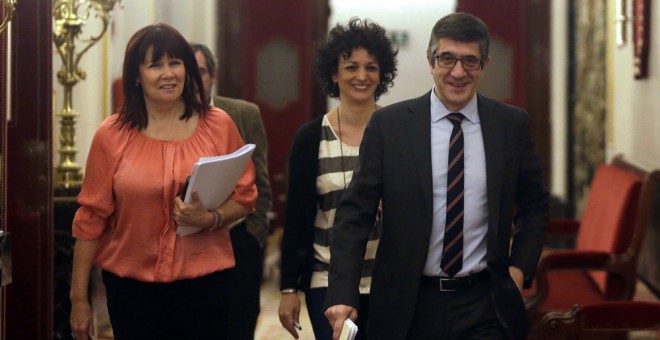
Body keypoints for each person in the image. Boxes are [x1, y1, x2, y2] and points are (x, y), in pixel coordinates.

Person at [324, 12, 548, 340]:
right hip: (408, 304)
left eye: (470, 61)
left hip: (485, 303)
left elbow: (534, 205)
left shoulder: (510, 126)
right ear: (430, 61)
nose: (458, 72)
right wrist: (343, 292)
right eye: (447, 59)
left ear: (485, 64)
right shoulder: (391, 127)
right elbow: (355, 215)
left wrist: (518, 268)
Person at [69, 23, 257, 340]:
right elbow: (90, 220)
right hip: (132, 291)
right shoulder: (111, 135)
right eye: (155, 64)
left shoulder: (217, 125)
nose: (168, 73)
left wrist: (210, 218)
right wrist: (78, 300)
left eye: (175, 62)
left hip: (204, 285)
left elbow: (246, 196)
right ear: (136, 76)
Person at [278, 18, 397, 340]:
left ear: (382, 73)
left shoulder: (400, 132)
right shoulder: (310, 137)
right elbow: (298, 218)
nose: (362, 76)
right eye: (351, 67)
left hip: (390, 281)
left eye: (371, 67)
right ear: (334, 73)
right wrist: (289, 288)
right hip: (326, 282)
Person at [190, 42, 273, 340]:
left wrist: (254, 235)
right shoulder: (167, 119)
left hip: (238, 238)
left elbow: (260, 182)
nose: (193, 79)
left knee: (239, 323)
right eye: (187, 71)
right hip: (189, 244)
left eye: (199, 71)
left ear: (213, 74)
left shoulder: (243, 114)